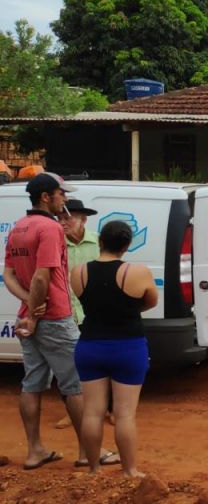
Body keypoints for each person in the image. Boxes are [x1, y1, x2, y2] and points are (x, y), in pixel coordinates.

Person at [2, 172, 87, 470]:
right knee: (75, 384)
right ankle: (88, 452)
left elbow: (9, 275)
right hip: (54, 317)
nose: (65, 199)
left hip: (29, 317)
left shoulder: (19, 227)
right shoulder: (48, 229)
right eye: (60, 194)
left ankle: (35, 449)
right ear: (45, 197)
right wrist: (37, 313)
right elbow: (42, 275)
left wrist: (27, 306)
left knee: (32, 383)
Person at [71, 220, 159, 477]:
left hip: (90, 345)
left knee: (92, 411)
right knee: (124, 415)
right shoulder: (138, 272)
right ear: (127, 245)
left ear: (100, 241)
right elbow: (150, 301)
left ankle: (94, 468)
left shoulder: (79, 272)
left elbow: (86, 300)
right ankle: (130, 470)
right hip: (128, 346)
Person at [54, 198, 102, 431]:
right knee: (70, 364)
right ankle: (71, 411)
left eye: (69, 217)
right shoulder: (55, 243)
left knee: (99, 362)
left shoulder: (98, 243)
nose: (64, 222)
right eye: (60, 217)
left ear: (84, 219)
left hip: (95, 313)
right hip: (66, 313)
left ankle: (107, 409)